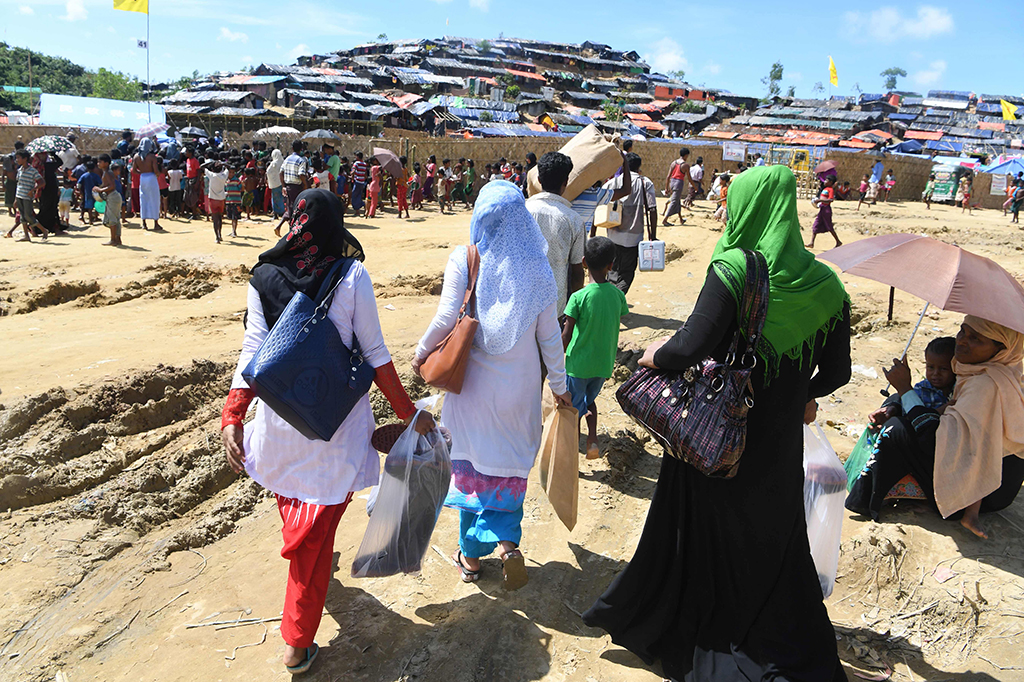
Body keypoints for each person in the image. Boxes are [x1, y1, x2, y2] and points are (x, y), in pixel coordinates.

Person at [584, 164, 852, 682]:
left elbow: (690, 347)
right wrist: (803, 396)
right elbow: (838, 371)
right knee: (774, 536)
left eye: (735, 200)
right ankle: (778, 633)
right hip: (776, 445)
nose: (727, 208)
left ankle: (699, 628)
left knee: (703, 533)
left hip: (721, 435)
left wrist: (650, 357)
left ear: (750, 207)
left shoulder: (735, 268)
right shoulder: (825, 284)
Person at [221, 189, 431, 675]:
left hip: (279, 420)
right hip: (335, 424)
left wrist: (234, 415)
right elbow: (376, 355)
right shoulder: (350, 274)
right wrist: (407, 413)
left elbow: (252, 352)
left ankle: (303, 553)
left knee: (297, 507)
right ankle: (297, 643)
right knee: (315, 536)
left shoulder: (263, 275)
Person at [412, 180, 572, 590]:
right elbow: (550, 338)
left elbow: (447, 318)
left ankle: (470, 559)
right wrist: (560, 385)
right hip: (519, 392)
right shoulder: (537, 267)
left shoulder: (465, 259)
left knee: (473, 467)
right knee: (506, 470)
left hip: (471, 392)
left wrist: (420, 353)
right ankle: (508, 546)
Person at [847, 317, 1024, 539]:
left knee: (897, 430)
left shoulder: (986, 385)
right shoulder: (976, 369)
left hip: (987, 492)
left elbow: (934, 441)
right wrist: (894, 403)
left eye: (975, 338)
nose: (962, 341)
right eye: (963, 332)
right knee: (896, 416)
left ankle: (868, 499)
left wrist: (904, 389)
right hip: (982, 476)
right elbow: (927, 394)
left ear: (1001, 349)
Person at [561, 236, 629, 459]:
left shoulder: (578, 297)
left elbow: (567, 334)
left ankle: (572, 447)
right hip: (602, 364)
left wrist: (555, 358)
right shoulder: (618, 296)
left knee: (572, 408)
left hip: (578, 364)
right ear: (611, 266)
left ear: (583, 262)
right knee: (590, 401)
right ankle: (592, 439)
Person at [525, 152, 586, 315]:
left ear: (539, 180)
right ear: (566, 182)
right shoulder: (574, 220)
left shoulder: (521, 212)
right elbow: (576, 272)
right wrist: (574, 311)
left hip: (521, 303)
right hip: (555, 307)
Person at [601, 152, 657, 294]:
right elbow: (652, 209)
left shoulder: (615, 182)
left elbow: (600, 201)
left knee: (612, 270)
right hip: (634, 237)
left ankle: (610, 299)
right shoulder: (645, 183)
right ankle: (618, 298)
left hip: (613, 234)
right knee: (627, 271)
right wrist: (653, 235)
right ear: (639, 166)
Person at [573, 152, 631, 237]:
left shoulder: (565, 190)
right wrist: (625, 162)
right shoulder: (594, 194)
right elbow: (626, 190)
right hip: (579, 243)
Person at [12, 149, 48, 241]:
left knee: (28, 216)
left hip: (27, 197)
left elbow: (42, 182)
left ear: (25, 159)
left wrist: (33, 190)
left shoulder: (32, 171)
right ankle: (26, 236)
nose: (17, 160)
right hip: (20, 195)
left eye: (18, 158)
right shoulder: (20, 170)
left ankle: (44, 231)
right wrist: (16, 199)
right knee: (22, 217)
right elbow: (18, 184)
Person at [275, 141, 310, 236]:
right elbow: (301, 174)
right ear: (301, 149)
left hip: (288, 186)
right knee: (296, 209)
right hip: (297, 187)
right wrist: (305, 185)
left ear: (292, 149)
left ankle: (284, 227)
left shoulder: (287, 159)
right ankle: (291, 230)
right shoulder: (301, 160)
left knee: (290, 207)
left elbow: (281, 173)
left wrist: (283, 186)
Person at [134, 138, 165, 232]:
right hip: (151, 178)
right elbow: (155, 171)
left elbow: (134, 170)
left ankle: (144, 223)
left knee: (143, 199)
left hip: (143, 178)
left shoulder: (136, 156)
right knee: (154, 199)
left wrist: (142, 173)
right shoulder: (152, 157)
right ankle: (155, 223)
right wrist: (158, 173)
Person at [95, 153, 123, 247]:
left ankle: (113, 239)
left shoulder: (107, 172)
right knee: (115, 218)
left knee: (111, 219)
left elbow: (112, 186)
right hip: (114, 196)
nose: (98, 163)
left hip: (112, 196)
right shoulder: (107, 172)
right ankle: (117, 238)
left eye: (100, 161)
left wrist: (100, 190)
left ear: (106, 163)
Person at [806, 176, 841, 249]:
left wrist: (820, 201)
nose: (824, 181)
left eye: (826, 180)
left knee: (829, 226)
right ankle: (812, 243)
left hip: (826, 210)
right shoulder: (825, 189)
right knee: (816, 225)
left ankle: (838, 241)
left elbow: (831, 200)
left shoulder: (830, 190)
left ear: (831, 182)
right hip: (822, 209)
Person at [662, 147, 693, 226]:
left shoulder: (674, 163)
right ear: (686, 155)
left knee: (677, 200)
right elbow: (689, 178)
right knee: (674, 202)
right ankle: (665, 220)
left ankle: (681, 219)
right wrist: (695, 187)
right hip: (678, 184)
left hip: (672, 182)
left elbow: (668, 176)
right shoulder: (685, 165)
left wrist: (666, 187)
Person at [201, 157, 229, 243]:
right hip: (221, 199)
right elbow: (229, 167)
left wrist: (211, 162)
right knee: (220, 218)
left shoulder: (211, 175)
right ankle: (220, 234)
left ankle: (216, 237)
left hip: (213, 199)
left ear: (212, 169)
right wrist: (223, 163)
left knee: (215, 219)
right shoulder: (224, 175)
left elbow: (201, 166)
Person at [76, 160, 102, 226]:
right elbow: (100, 183)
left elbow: (79, 185)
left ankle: (90, 220)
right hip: (96, 193)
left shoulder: (84, 176)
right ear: (94, 168)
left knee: (89, 207)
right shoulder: (96, 176)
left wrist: (80, 192)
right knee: (97, 205)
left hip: (87, 193)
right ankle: (96, 217)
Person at [3, 142, 23, 217]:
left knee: (14, 195)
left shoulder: (15, 166)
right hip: (9, 182)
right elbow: (3, 175)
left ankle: (15, 210)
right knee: (9, 197)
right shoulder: (7, 168)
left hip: (15, 181)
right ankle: (10, 211)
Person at [224, 165, 243, 238]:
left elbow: (241, 188)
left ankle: (234, 231)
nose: (231, 174)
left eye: (233, 172)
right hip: (229, 201)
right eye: (230, 172)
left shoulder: (237, 181)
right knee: (231, 217)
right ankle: (233, 230)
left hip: (236, 201)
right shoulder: (226, 181)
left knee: (235, 217)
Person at [266, 148, 285, 220]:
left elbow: (268, 171)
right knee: (283, 198)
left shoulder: (273, 163)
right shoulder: (283, 162)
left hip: (275, 184)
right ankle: (283, 213)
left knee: (274, 199)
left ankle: (275, 214)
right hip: (282, 183)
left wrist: (273, 178)